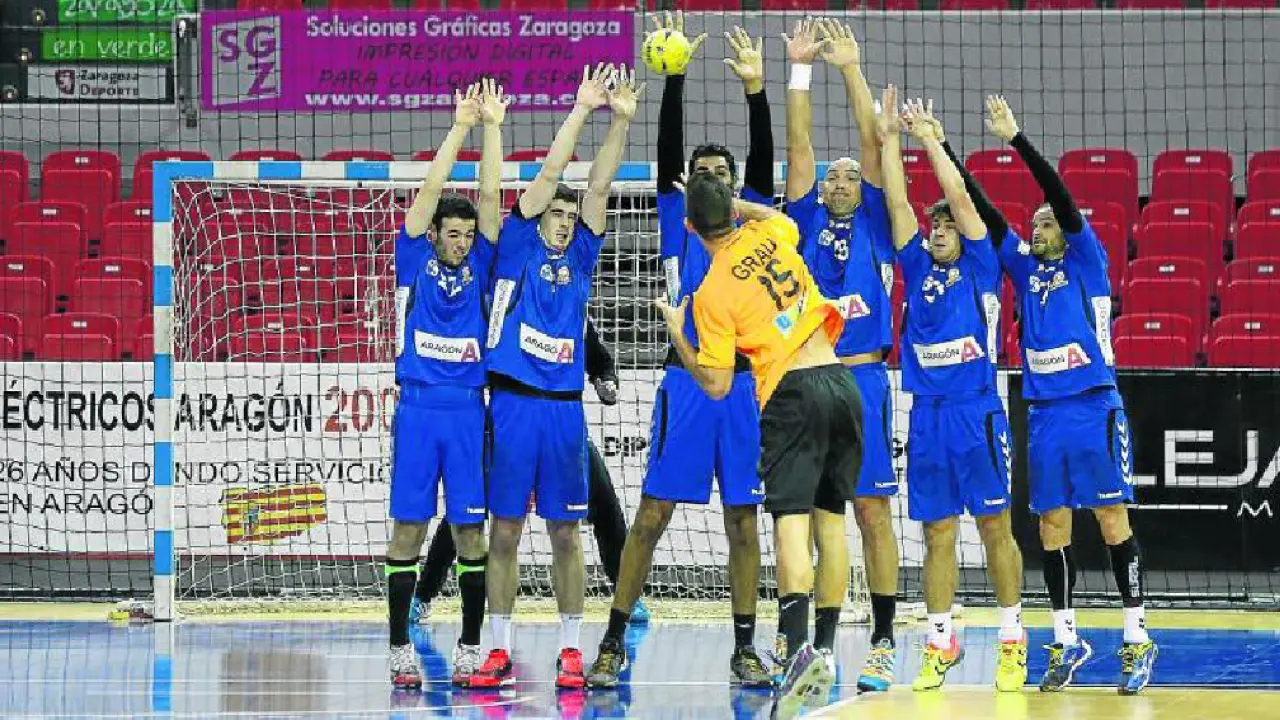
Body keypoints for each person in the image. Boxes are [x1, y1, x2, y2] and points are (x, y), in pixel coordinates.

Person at [586, 13, 772, 689]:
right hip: (686, 385)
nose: (710, 179)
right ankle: (613, 639)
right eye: (701, 173)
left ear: (737, 187)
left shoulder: (754, 226)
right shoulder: (677, 221)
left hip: (744, 386)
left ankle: (745, 648)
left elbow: (763, 162)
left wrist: (756, 92)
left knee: (744, 522)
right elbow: (668, 156)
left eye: (721, 173)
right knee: (651, 517)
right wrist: (674, 79)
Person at [655, 172, 857, 720]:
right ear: (733, 210)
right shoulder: (770, 234)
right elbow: (782, 219)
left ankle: (795, 658)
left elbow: (718, 385)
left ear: (689, 227)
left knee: (791, 526)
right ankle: (825, 652)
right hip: (841, 381)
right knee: (831, 525)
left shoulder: (711, 293)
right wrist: (734, 203)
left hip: (792, 393)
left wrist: (678, 332)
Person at [469, 64, 643, 691]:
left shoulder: (584, 254)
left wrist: (619, 121)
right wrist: (580, 111)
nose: (566, 219)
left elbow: (600, 184)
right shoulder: (516, 244)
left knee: (567, 532)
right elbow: (551, 176)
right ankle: (498, 648)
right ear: (540, 214)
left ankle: (571, 648)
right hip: (513, 404)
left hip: (564, 408)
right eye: (558, 212)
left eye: (571, 214)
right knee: (505, 531)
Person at [985, 95, 1157, 694]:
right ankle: (1066, 640)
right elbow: (989, 220)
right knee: (1051, 528)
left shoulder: (1088, 258)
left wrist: (1016, 139)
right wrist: (944, 149)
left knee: (1112, 520)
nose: (1038, 229)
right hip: (1044, 415)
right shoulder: (1025, 269)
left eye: (1046, 223)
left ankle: (1137, 638)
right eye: (1034, 224)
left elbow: (1058, 195)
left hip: (1093, 405)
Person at [879, 92, 1028, 692]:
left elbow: (963, 200)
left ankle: (1013, 639)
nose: (939, 231)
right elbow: (896, 202)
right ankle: (941, 642)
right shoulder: (917, 267)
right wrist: (891, 139)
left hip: (976, 412)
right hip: (927, 418)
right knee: (936, 533)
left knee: (994, 527)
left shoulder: (982, 266)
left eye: (946, 226)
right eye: (934, 225)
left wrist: (930, 141)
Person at [781, 18, 901, 692]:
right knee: (810, 515)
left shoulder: (879, 225)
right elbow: (800, 147)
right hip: (806, 381)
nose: (842, 180)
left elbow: (872, 142)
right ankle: (809, 643)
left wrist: (851, 70)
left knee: (871, 512)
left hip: (864, 381)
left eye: (851, 176)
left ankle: (883, 639)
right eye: (834, 178)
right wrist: (800, 70)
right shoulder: (801, 223)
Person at [385, 80, 507, 690]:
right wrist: (459, 126)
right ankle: (398, 647)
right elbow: (431, 191)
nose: (461, 241)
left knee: (469, 532)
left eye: (466, 234)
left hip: (466, 412)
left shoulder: (482, 263)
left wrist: (492, 128)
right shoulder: (414, 259)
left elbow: (489, 195)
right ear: (433, 235)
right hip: (417, 411)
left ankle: (468, 646)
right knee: (408, 529)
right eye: (451, 234)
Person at [409, 319, 646, 625]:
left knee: (605, 505)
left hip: (558, 424)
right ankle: (423, 594)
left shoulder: (568, 310)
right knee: (467, 512)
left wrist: (606, 380)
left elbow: (598, 358)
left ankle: (627, 598)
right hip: (512, 425)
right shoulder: (503, 311)